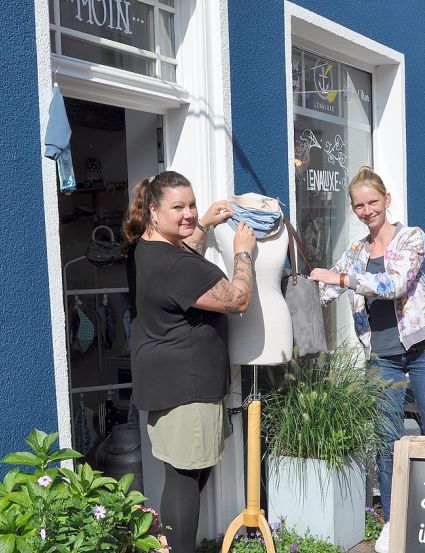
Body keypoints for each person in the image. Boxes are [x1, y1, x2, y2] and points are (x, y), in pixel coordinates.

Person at [308, 166, 425, 553]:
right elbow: (325, 288)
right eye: (359, 205)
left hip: (424, 351)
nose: (366, 210)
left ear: (387, 200)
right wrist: (299, 288)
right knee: (388, 441)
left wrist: (342, 280)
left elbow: (396, 284)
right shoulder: (355, 251)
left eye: (373, 202)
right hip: (382, 357)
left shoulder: (411, 237)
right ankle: (393, 520)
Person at [122, 171, 256, 553]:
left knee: (187, 472)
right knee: (185, 477)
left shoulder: (144, 247)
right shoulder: (175, 266)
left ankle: (168, 545)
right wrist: (244, 252)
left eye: (191, 204)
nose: (188, 214)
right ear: (153, 211)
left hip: (169, 380)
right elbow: (238, 299)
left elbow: (185, 251)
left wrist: (204, 223)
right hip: (188, 385)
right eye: (177, 207)